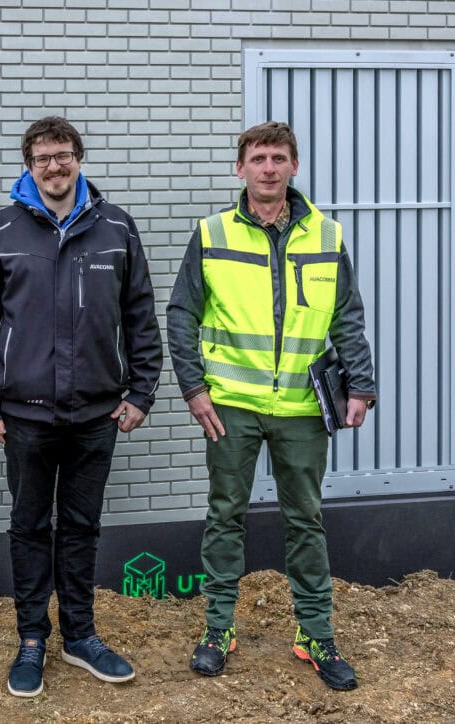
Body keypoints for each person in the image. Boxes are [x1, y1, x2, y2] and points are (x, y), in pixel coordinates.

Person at [166, 121, 377, 691]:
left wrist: (361, 386)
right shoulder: (211, 234)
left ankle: (315, 633)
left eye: (278, 158)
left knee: (305, 520)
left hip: (304, 408)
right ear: (240, 168)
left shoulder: (327, 236)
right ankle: (217, 630)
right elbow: (181, 314)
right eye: (257, 158)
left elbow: (347, 318)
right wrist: (193, 387)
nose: (267, 167)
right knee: (224, 516)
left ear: (294, 167)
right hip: (230, 405)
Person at [0, 116, 163, 697]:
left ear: (79, 158)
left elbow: (140, 318)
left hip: (96, 415)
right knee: (29, 527)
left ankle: (80, 634)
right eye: (43, 157)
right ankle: (31, 639)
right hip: (23, 416)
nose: (55, 165)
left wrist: (141, 392)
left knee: (81, 527)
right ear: (28, 164)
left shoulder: (116, 228)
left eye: (64, 154)